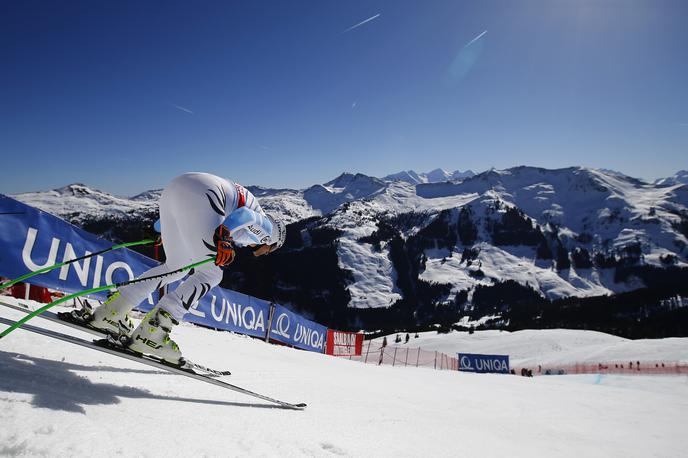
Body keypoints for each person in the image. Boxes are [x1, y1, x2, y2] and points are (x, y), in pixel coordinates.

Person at [66, 172, 286, 364]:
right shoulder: (267, 229)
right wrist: (225, 236)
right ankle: (153, 334)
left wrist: (158, 228)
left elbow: (192, 207)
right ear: (273, 242)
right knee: (211, 273)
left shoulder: (248, 210)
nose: (264, 252)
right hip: (207, 194)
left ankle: (112, 311)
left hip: (176, 189)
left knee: (176, 266)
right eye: (270, 250)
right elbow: (245, 216)